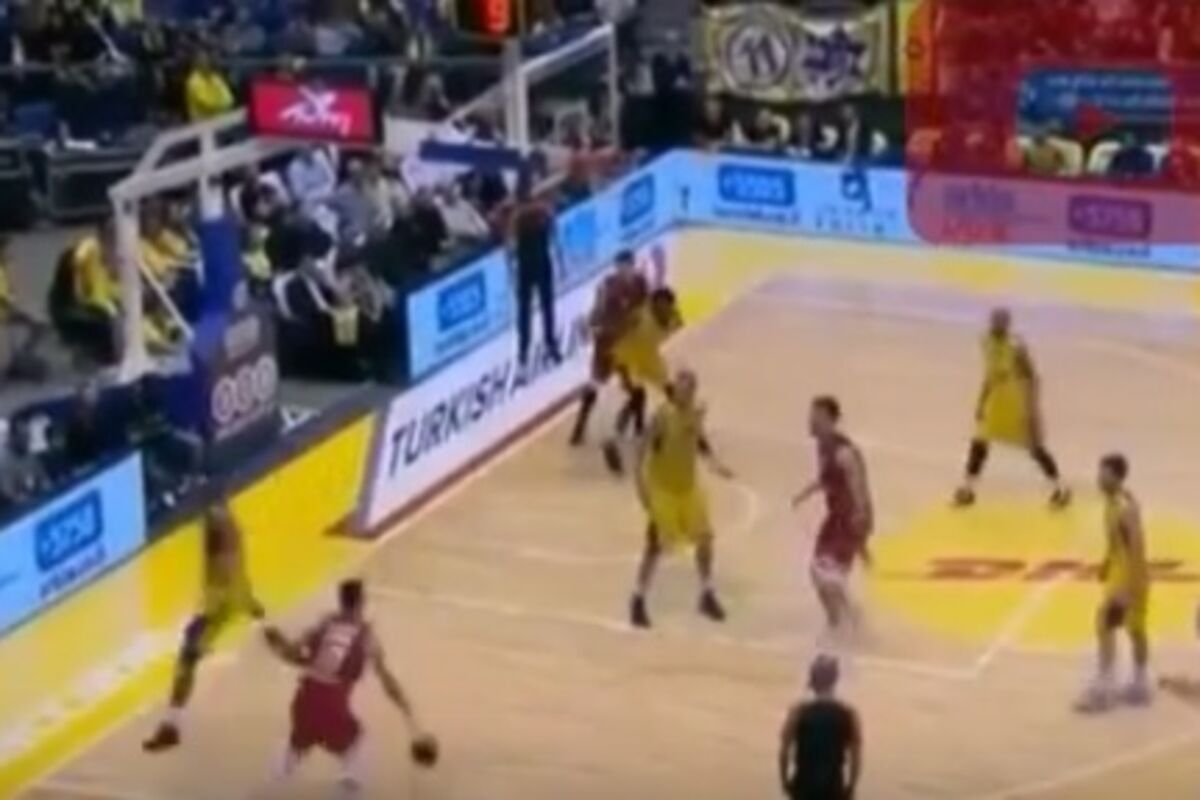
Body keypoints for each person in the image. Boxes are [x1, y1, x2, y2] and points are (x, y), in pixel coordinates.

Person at [262, 579, 438, 795]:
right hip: (332, 704)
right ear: (362, 602)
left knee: (296, 745)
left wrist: (272, 636)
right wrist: (409, 715)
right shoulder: (366, 636)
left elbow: (290, 654)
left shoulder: (323, 625)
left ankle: (269, 783)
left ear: (341, 601)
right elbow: (387, 681)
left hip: (304, 700)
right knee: (359, 751)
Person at [144, 503, 264, 752]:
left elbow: (227, 569)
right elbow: (233, 566)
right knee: (187, 660)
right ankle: (171, 724)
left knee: (187, 660)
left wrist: (216, 608)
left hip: (219, 607)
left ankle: (171, 726)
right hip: (223, 601)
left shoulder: (220, 525)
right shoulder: (226, 524)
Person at [630, 367, 734, 628]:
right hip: (663, 491)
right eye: (680, 387)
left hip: (688, 489)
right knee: (654, 548)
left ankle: (706, 593)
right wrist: (640, 485)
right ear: (674, 390)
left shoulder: (695, 413)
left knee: (706, 540)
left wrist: (715, 463)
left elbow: (699, 440)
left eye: (688, 388)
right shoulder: (662, 417)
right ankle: (638, 598)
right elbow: (641, 449)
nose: (683, 392)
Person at [953, 308, 1071, 508]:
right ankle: (967, 490)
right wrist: (981, 402)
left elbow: (1033, 378)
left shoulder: (1016, 346)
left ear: (1007, 325)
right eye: (994, 320)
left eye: (1001, 321)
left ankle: (1059, 489)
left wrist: (1032, 411)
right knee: (979, 445)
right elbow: (988, 375)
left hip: (1015, 403)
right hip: (995, 402)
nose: (996, 324)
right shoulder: (986, 342)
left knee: (1034, 448)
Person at [1076, 453, 1151, 712]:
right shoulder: (1112, 502)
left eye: (1104, 474)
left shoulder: (1124, 507)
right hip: (1122, 573)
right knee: (1132, 629)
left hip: (1130, 575)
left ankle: (1105, 687)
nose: (1099, 478)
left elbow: (1136, 547)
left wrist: (1129, 586)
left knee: (1107, 623)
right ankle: (1139, 683)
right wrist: (1107, 562)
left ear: (1117, 477)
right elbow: (1116, 539)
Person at [793, 396, 873, 634]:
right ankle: (842, 621)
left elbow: (859, 484)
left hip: (848, 520)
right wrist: (804, 493)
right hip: (837, 519)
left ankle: (847, 620)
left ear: (829, 420)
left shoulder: (843, 452)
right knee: (822, 574)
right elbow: (827, 478)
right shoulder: (824, 446)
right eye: (811, 416)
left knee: (824, 574)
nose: (810, 421)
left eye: (816, 417)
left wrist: (861, 521)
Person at [569, 249, 649, 447]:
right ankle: (579, 427)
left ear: (632, 265)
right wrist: (590, 324)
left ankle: (638, 427)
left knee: (636, 386)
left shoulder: (640, 283)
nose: (624, 270)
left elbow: (644, 308)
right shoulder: (607, 287)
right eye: (620, 267)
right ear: (617, 268)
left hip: (628, 343)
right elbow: (597, 309)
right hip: (607, 342)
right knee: (595, 383)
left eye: (627, 266)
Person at [604, 285, 683, 474]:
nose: (663, 308)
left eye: (667, 305)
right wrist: (618, 368)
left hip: (649, 359)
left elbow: (677, 325)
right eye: (659, 304)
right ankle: (613, 439)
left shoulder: (673, 319)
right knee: (637, 397)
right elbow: (617, 333)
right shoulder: (639, 316)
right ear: (652, 303)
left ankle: (681, 430)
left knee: (673, 393)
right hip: (627, 358)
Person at [779, 655, 862, 800]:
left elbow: (784, 751)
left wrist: (785, 780)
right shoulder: (848, 714)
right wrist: (851, 786)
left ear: (812, 680)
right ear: (835, 680)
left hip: (804, 785)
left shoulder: (798, 712)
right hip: (833, 787)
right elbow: (856, 757)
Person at [510, 172, 562, 366]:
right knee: (545, 305)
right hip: (539, 261)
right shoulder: (540, 210)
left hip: (527, 264)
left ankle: (525, 350)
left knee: (526, 310)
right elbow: (554, 231)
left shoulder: (519, 213)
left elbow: (510, 243)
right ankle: (548, 344)